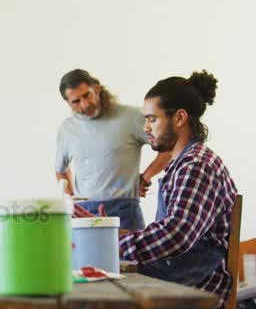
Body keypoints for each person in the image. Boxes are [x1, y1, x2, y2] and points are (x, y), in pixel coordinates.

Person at [76, 70, 237, 308]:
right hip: (178, 282)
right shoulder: (182, 164)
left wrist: (109, 243)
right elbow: (169, 230)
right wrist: (106, 231)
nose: (146, 128)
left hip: (197, 292)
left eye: (152, 119)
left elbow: (175, 234)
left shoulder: (196, 165)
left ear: (180, 118)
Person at [56, 69, 170, 229]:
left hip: (124, 211)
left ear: (96, 89)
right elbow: (61, 170)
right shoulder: (67, 129)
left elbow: (168, 146)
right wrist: (69, 203)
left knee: (131, 255)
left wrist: (146, 177)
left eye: (87, 95)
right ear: (68, 103)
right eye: (76, 101)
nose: (85, 104)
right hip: (83, 214)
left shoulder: (131, 116)